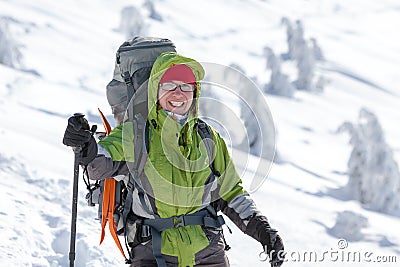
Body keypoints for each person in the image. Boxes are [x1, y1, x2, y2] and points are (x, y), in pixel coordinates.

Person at [63, 51, 284, 267]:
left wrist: (263, 231)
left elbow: (232, 194)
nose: (178, 93)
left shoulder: (208, 138)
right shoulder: (136, 135)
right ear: (156, 90)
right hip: (153, 252)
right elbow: (100, 163)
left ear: (194, 93)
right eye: (169, 86)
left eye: (185, 86)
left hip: (208, 254)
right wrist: (85, 146)